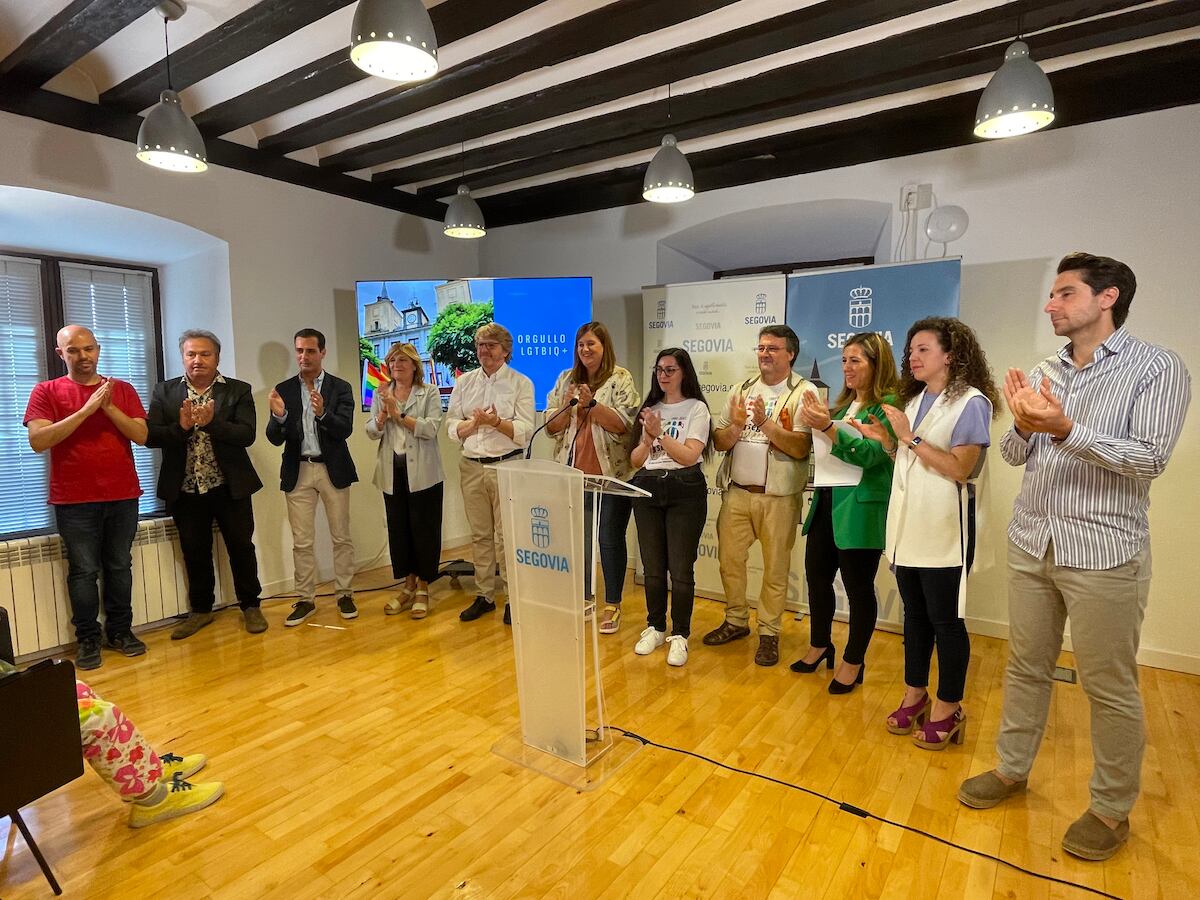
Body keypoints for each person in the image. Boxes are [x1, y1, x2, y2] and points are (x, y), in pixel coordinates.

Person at [958, 253, 1191, 862]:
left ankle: (1112, 811)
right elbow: (1011, 455)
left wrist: (1064, 428)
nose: (1050, 304)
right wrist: (1029, 424)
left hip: (1105, 549)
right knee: (1025, 666)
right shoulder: (1047, 369)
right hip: (1033, 540)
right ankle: (1012, 771)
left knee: (1109, 685)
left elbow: (1148, 458)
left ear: (1107, 297)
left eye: (1064, 293)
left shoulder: (1157, 368)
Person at [867, 317, 997, 749]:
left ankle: (948, 706)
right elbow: (907, 459)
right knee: (915, 619)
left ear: (951, 354)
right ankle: (914, 693)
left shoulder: (972, 403)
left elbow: (960, 468)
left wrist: (908, 436)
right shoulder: (915, 400)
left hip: (944, 532)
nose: (913, 357)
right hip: (906, 529)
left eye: (923, 349)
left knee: (947, 622)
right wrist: (888, 442)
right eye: (911, 350)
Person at [24, 325, 149, 671]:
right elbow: (38, 441)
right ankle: (88, 640)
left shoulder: (121, 389)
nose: (83, 357)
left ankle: (121, 633)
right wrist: (85, 411)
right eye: (74, 350)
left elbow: (141, 435)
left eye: (89, 349)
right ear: (60, 353)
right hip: (74, 500)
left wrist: (108, 408)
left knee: (120, 565)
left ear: (98, 350)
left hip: (122, 495)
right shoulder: (46, 391)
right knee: (83, 571)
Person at [703, 325, 816, 667]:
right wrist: (736, 425)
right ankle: (736, 620)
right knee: (730, 561)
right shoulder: (741, 389)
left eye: (773, 348)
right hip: (737, 493)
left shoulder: (804, 392)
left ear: (790, 354)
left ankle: (769, 633)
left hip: (779, 497)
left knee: (775, 570)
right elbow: (720, 442)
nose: (764, 353)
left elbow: (801, 447)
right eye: (761, 347)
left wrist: (766, 423)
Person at [793, 332, 900, 692]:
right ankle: (820, 644)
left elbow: (872, 456)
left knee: (858, 588)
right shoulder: (839, 407)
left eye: (856, 360)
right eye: (843, 360)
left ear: (876, 363)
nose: (847, 368)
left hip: (859, 509)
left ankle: (854, 660)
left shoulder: (888, 407)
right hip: (825, 503)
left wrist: (826, 428)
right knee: (817, 580)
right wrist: (821, 425)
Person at [145, 330, 267, 638]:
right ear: (183, 357)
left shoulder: (238, 390)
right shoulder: (165, 392)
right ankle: (201, 610)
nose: (197, 360)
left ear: (217, 357)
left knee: (241, 547)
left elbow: (246, 434)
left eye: (205, 354)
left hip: (230, 486)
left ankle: (251, 606)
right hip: (185, 488)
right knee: (194, 551)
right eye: (191, 354)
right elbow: (152, 437)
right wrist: (182, 427)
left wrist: (212, 423)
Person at [544, 322, 640, 632]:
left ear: (604, 347)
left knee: (609, 539)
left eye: (592, 344)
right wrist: (565, 405)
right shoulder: (565, 379)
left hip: (612, 475)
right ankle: (584, 597)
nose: (585, 350)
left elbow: (624, 424)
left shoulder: (621, 378)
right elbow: (550, 427)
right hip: (573, 474)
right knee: (579, 542)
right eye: (581, 344)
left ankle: (612, 604)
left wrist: (591, 405)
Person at [266, 328, 358, 625]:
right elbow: (274, 438)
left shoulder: (340, 387)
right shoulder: (284, 388)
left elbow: (345, 429)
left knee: (341, 537)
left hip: (333, 468)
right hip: (299, 470)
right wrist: (279, 417)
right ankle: (305, 599)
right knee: (302, 541)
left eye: (309, 351)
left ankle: (344, 593)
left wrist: (323, 414)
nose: (303, 357)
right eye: (299, 351)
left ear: (322, 353)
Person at [446, 322, 535, 624]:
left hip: (506, 466)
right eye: (480, 344)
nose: (484, 350)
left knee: (507, 537)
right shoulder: (464, 382)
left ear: (506, 350)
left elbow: (525, 431)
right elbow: (450, 427)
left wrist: (496, 423)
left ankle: (513, 599)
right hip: (471, 466)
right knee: (480, 536)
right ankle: (485, 596)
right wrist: (472, 425)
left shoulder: (521, 383)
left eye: (491, 345)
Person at [629, 348, 712, 667]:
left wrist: (659, 433)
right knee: (652, 566)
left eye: (670, 370)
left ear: (684, 372)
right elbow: (636, 460)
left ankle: (680, 634)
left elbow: (689, 456)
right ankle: (655, 627)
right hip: (648, 487)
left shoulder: (697, 409)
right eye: (659, 369)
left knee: (680, 569)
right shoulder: (649, 407)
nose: (663, 375)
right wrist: (648, 439)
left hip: (684, 488)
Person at [366, 342, 444, 619]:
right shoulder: (380, 392)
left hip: (424, 473)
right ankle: (408, 585)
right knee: (399, 532)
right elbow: (371, 432)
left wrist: (398, 414)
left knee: (424, 530)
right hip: (392, 472)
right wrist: (383, 413)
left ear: (414, 365)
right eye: (392, 361)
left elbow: (430, 429)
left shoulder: (429, 392)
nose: (396, 365)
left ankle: (424, 587)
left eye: (402, 361)